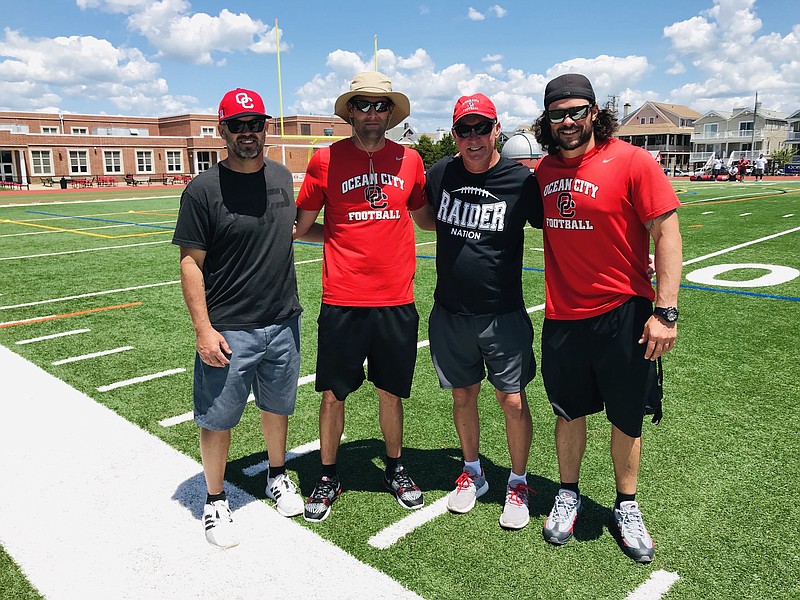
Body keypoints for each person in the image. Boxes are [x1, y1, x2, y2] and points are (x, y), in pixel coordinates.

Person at [532, 73, 682, 563]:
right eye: (558, 114)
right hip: (563, 316)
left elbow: (667, 234)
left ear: (595, 111)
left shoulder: (634, 161)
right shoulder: (543, 172)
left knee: (626, 417)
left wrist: (666, 311)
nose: (568, 121)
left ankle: (626, 505)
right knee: (568, 411)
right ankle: (568, 493)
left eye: (578, 111)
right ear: (547, 120)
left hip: (626, 313)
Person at [294, 72, 429, 522]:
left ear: (391, 113)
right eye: (363, 105)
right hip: (343, 298)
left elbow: (426, 218)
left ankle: (395, 468)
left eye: (380, 106)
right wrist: (338, 237)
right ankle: (327, 475)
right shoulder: (324, 160)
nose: (372, 114)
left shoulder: (410, 160)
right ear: (349, 111)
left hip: (395, 300)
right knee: (333, 394)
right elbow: (302, 227)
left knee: (391, 393)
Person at [173, 88, 304, 548]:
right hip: (228, 327)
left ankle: (277, 474)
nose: (248, 133)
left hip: (283, 320)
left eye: (256, 124)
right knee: (218, 418)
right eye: (238, 125)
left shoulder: (283, 176)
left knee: (277, 406)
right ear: (223, 129)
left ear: (266, 127)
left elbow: (294, 232)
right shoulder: (203, 189)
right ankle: (214, 500)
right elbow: (191, 263)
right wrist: (203, 329)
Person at [415, 93, 542, 530]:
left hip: (502, 312)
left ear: (496, 129)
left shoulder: (520, 181)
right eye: (464, 129)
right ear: (454, 134)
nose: (473, 138)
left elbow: (566, 226)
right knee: (463, 395)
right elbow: (425, 218)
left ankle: (519, 481)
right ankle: (473, 472)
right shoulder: (440, 173)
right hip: (450, 311)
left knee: (511, 400)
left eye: (480, 128)